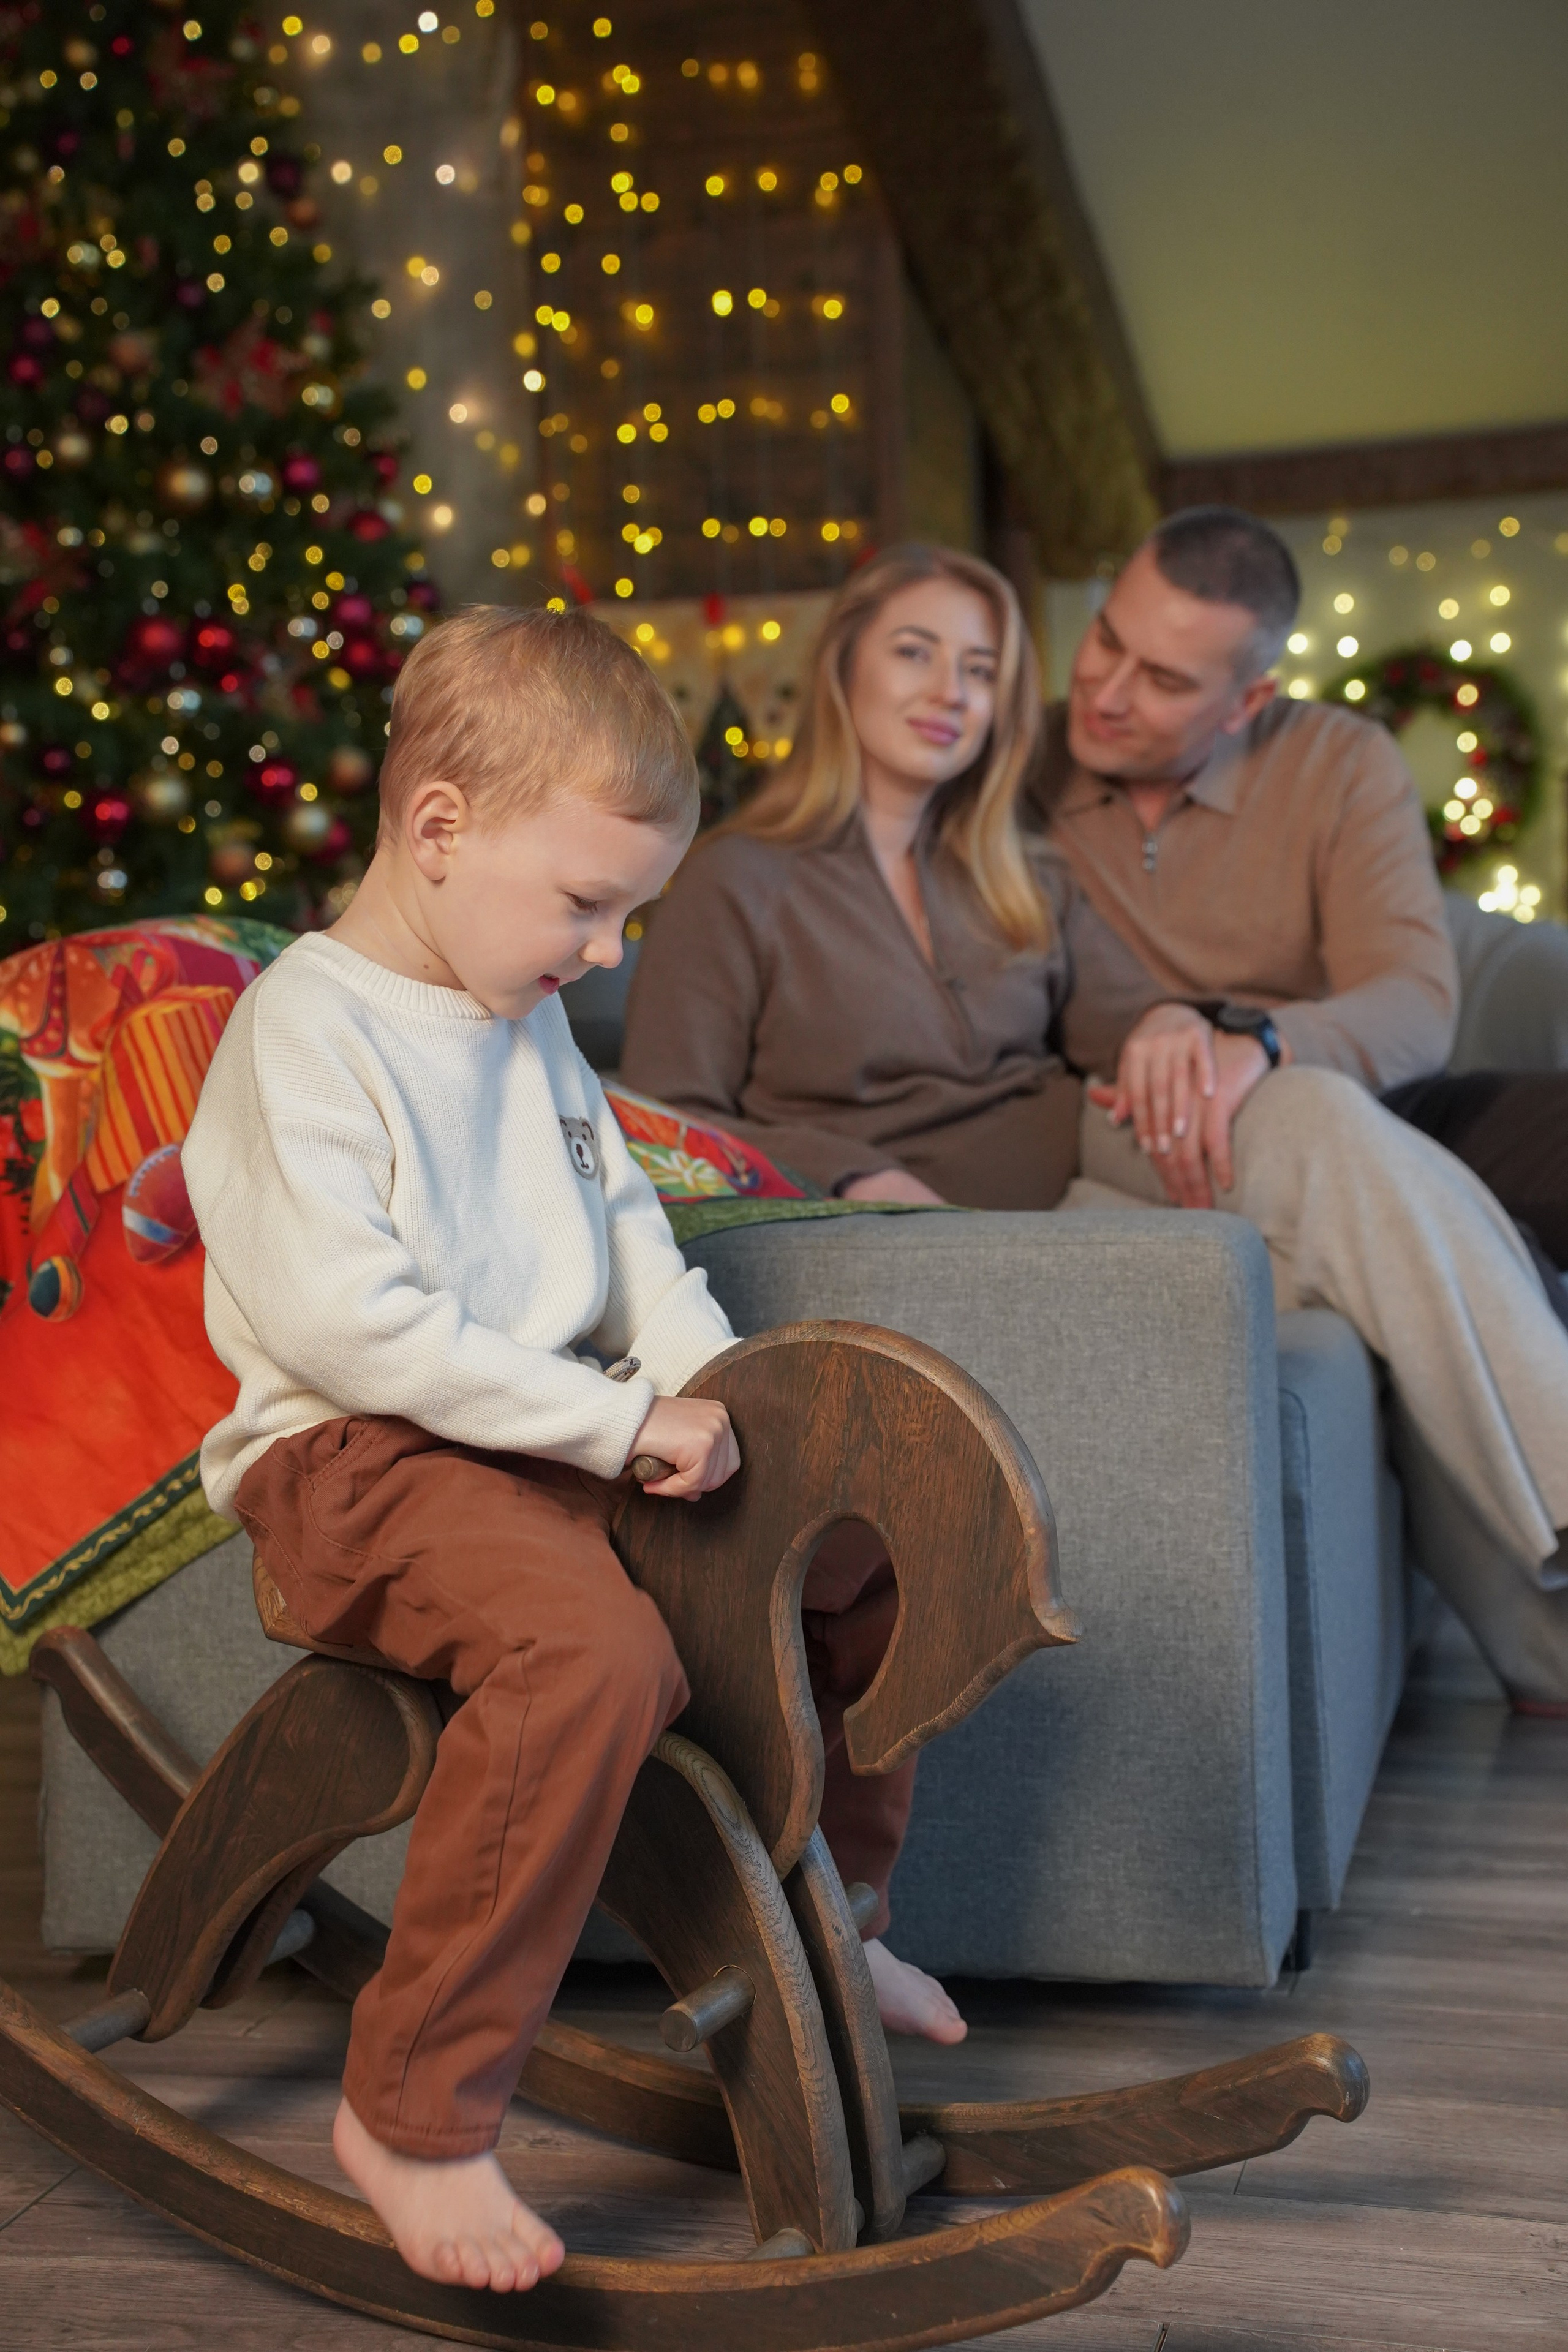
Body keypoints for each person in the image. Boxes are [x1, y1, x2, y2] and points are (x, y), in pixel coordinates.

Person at [182, 608, 957, 2301]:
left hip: (544, 1438)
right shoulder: (303, 1031)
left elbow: (632, 1254)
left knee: (854, 1546)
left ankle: (843, 1911)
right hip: (355, 1460)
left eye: (628, 912)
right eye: (588, 904)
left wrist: (718, 1403)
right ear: (441, 829)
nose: (606, 953)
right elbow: (350, 1328)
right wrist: (616, 1420)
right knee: (592, 1653)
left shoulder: (518, 1012)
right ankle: (416, 2112)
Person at [622, 545, 1568, 1713]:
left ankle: (1550, 1651)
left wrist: (1176, 1018)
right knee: (1341, 1275)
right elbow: (671, 1125)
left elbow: (1128, 1012)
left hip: (1081, 1175)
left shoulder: (1016, 867)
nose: (949, 690)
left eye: (980, 667)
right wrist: (853, 1172)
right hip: (930, 1231)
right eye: (916, 652)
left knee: (1320, 1124)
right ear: (845, 665)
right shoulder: (736, 880)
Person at [1027, 505, 1568, 1272]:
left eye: (1162, 680)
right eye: (1107, 638)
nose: (1104, 694)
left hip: (1342, 1098)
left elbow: (1414, 1005)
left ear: (1247, 703)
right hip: (1141, 1127)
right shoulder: (1013, 769)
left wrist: (1263, 1042)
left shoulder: (1341, 761)